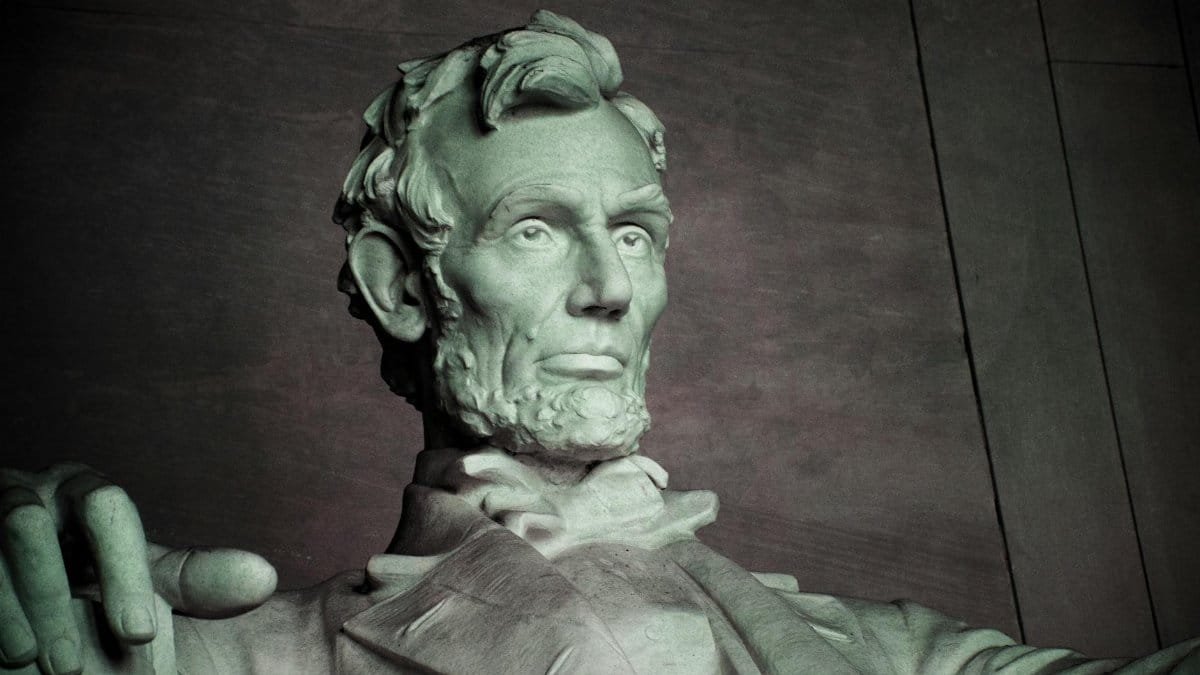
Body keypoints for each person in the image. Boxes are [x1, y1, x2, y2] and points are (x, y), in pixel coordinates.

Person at [1, 10, 1197, 674]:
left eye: (634, 234)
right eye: (537, 229)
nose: (609, 289)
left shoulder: (893, 655)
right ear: (402, 287)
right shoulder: (216, 660)